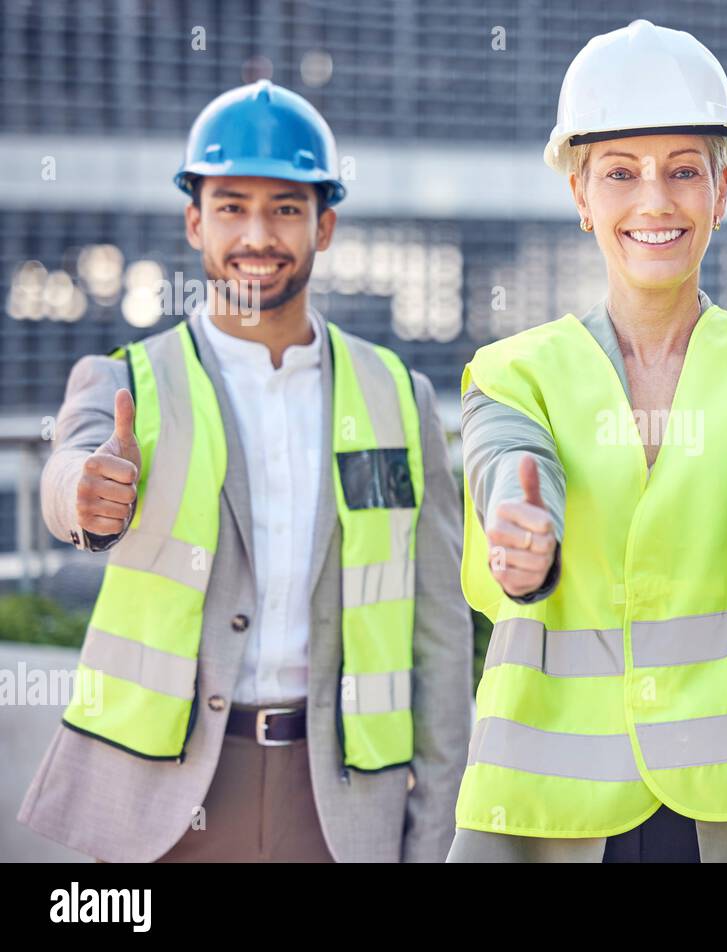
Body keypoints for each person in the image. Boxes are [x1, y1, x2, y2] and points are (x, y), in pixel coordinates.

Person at [18, 80, 473, 862]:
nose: (257, 234)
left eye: (285, 208)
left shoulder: (400, 398)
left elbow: (440, 633)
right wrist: (86, 495)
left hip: (340, 801)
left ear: (324, 224)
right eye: (231, 206)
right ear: (195, 220)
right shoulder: (127, 380)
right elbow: (69, 475)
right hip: (166, 796)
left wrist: (433, 834)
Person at [447, 20, 727, 863]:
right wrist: (525, 550)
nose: (655, 202)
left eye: (683, 172)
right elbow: (509, 482)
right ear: (580, 198)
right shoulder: (510, 372)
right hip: (551, 817)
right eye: (621, 174)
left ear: (721, 191)